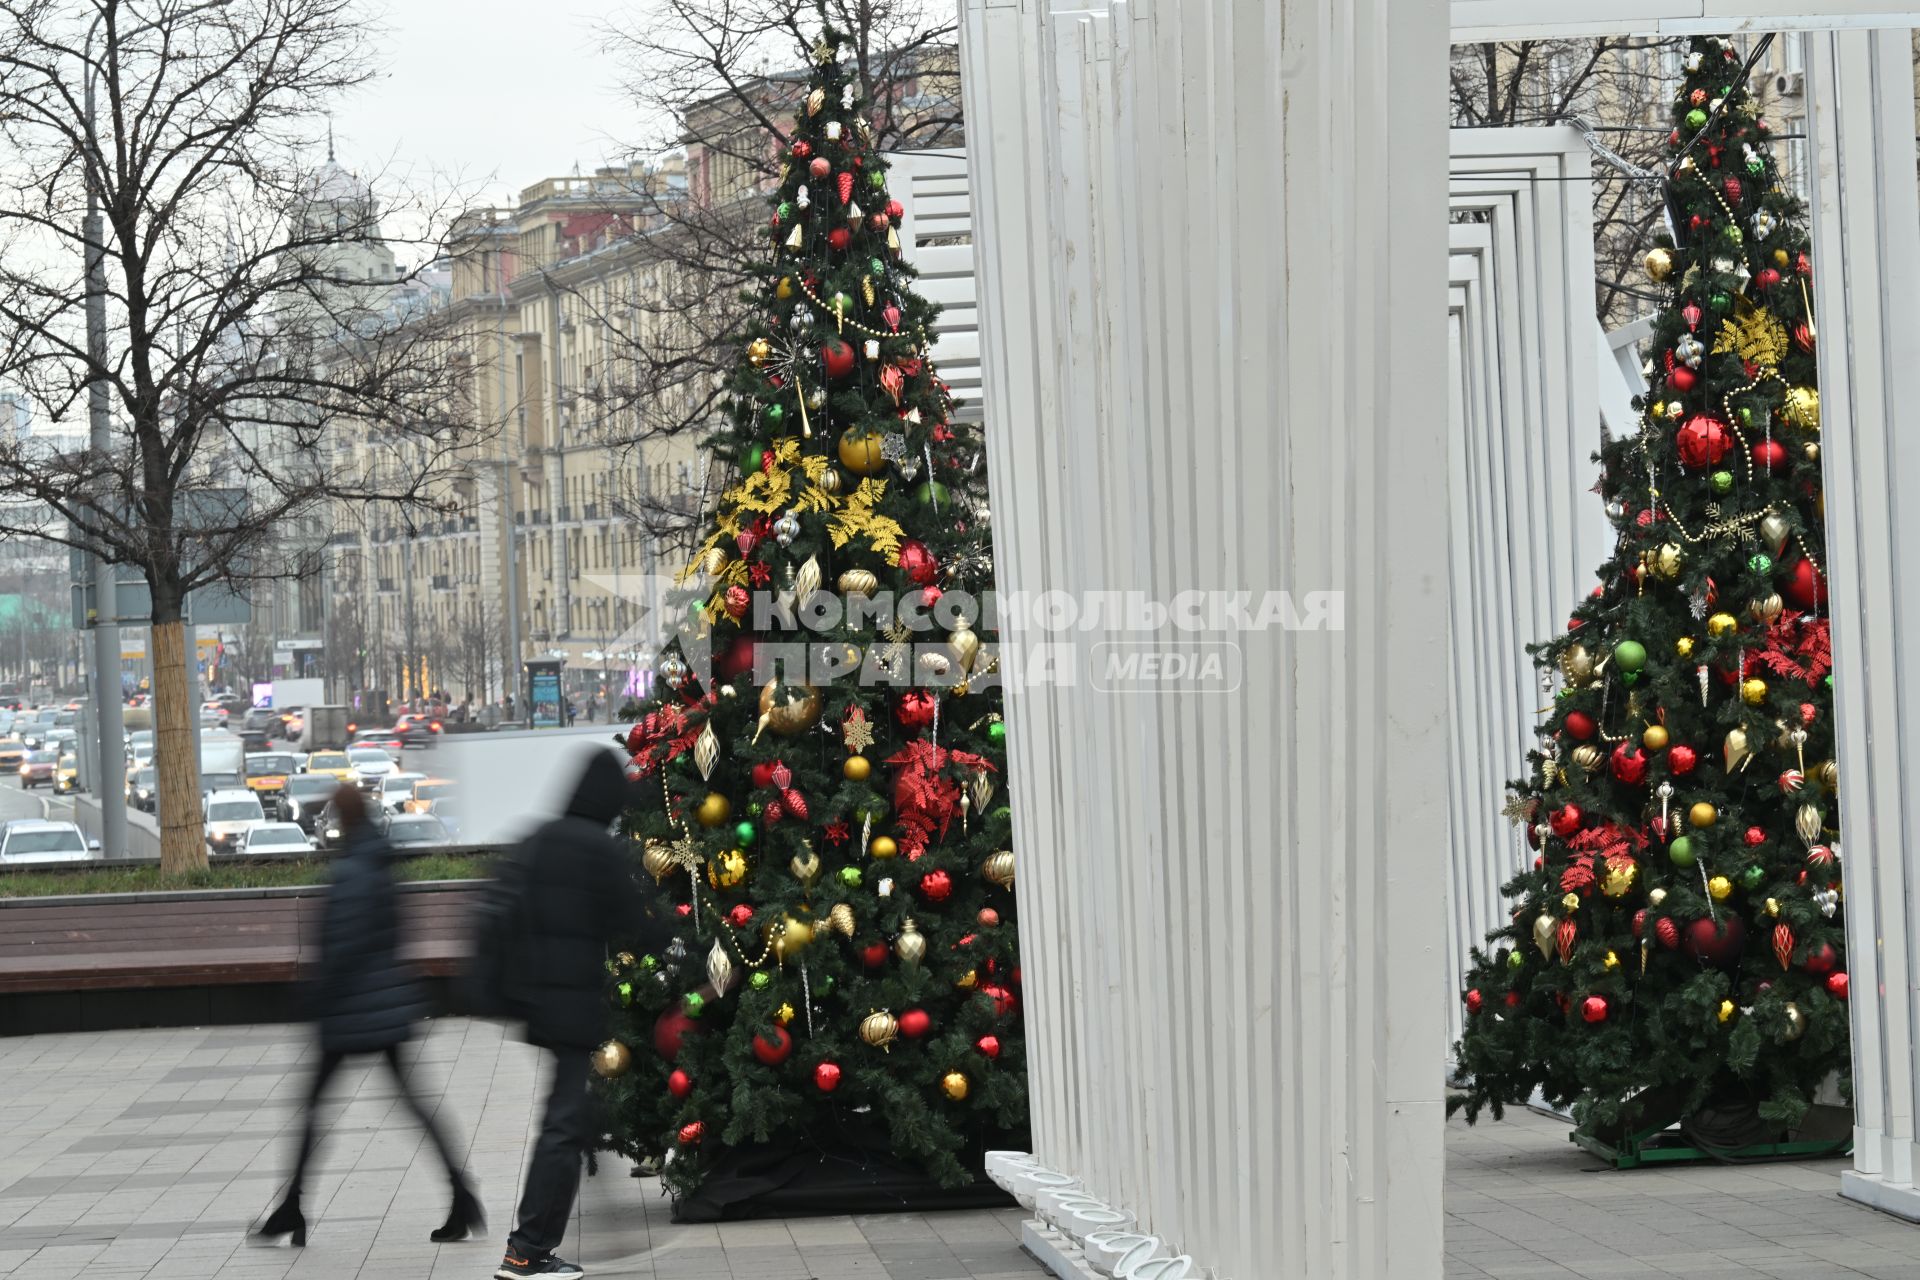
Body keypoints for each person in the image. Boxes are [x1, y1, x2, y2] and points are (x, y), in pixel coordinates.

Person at [251, 784, 481, 1249]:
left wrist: (315, 997)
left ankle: (292, 1207)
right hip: (382, 1004)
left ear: (342, 819)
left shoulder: (354, 872)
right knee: (411, 1106)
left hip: (352, 1010)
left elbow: (344, 946)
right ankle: (462, 1197)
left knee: (315, 1107)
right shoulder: (377, 863)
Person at [495, 749, 660, 1280]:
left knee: (565, 1118)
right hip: (572, 1005)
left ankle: (532, 1244)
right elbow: (636, 922)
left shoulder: (542, 839)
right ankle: (527, 1250)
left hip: (538, 1002)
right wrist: (696, 947)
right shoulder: (596, 849)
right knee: (564, 1126)